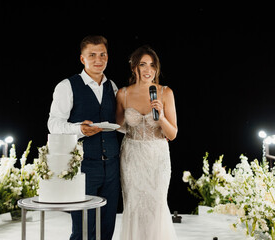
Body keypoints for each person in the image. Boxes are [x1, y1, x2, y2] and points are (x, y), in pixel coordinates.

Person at [48, 35, 120, 240]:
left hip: (112, 165)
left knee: (107, 227)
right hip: (84, 167)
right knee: (83, 229)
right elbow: (53, 124)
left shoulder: (112, 86)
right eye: (92, 55)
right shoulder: (67, 86)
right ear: (82, 59)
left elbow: (120, 121)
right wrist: (79, 129)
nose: (99, 59)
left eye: (103, 54)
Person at [116, 45, 178, 240]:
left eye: (152, 65)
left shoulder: (165, 92)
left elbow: (173, 133)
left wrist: (160, 118)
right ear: (134, 67)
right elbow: (116, 125)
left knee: (157, 203)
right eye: (142, 64)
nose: (148, 69)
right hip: (132, 155)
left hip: (157, 155)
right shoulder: (123, 94)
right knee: (133, 204)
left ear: (156, 68)